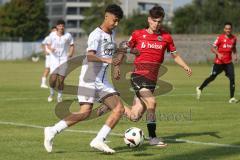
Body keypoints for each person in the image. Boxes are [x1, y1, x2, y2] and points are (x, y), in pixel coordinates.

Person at [44, 4, 124, 154]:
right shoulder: (96, 34)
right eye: (114, 20)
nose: (116, 23)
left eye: (118, 21)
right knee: (85, 112)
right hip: (89, 78)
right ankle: (53, 130)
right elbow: (90, 55)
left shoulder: (111, 34)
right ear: (106, 16)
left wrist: (116, 66)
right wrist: (107, 61)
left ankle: (99, 139)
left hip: (102, 80)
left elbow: (109, 56)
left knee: (118, 108)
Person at [113, 5, 192, 147]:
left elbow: (175, 55)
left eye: (159, 21)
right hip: (138, 76)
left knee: (134, 116)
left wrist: (185, 65)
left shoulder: (166, 37)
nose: (156, 24)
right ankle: (153, 138)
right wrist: (117, 65)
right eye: (154, 20)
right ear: (149, 19)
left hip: (152, 81)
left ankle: (113, 104)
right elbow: (123, 48)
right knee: (152, 102)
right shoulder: (137, 34)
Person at [196, 22, 238, 103]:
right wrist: (218, 54)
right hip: (219, 62)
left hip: (228, 62)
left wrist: (235, 55)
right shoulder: (220, 38)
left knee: (232, 78)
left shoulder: (234, 38)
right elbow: (212, 48)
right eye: (226, 29)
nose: (228, 30)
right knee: (213, 77)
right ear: (224, 29)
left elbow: (234, 48)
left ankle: (232, 98)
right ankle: (200, 88)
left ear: (231, 29)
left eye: (229, 29)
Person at [46, 20, 74, 102]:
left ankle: (59, 96)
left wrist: (71, 53)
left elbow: (72, 45)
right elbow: (48, 44)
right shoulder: (52, 35)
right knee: (53, 79)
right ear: (57, 26)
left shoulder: (68, 35)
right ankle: (51, 93)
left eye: (62, 26)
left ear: (64, 27)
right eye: (59, 26)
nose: (61, 27)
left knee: (61, 79)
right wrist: (51, 49)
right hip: (54, 59)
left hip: (64, 59)